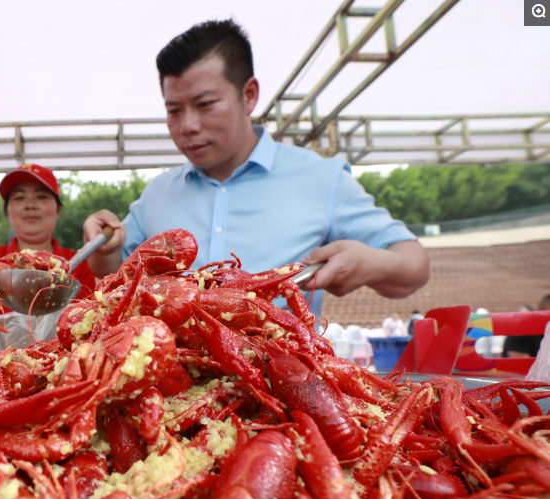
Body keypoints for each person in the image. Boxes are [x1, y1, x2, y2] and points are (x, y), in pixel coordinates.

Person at [82, 20, 429, 314]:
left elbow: (414, 265)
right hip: (172, 386)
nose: (187, 125)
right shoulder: (159, 192)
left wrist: (372, 263)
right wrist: (103, 246)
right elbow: (113, 272)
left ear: (248, 95)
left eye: (205, 104)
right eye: (174, 110)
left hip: (280, 384)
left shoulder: (321, 178)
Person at [0, 164, 97, 367]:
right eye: (19, 198)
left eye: (41, 197)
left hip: (60, 368)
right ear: (8, 211)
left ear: (58, 210)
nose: (30, 205)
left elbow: (90, 319)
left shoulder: (78, 263)